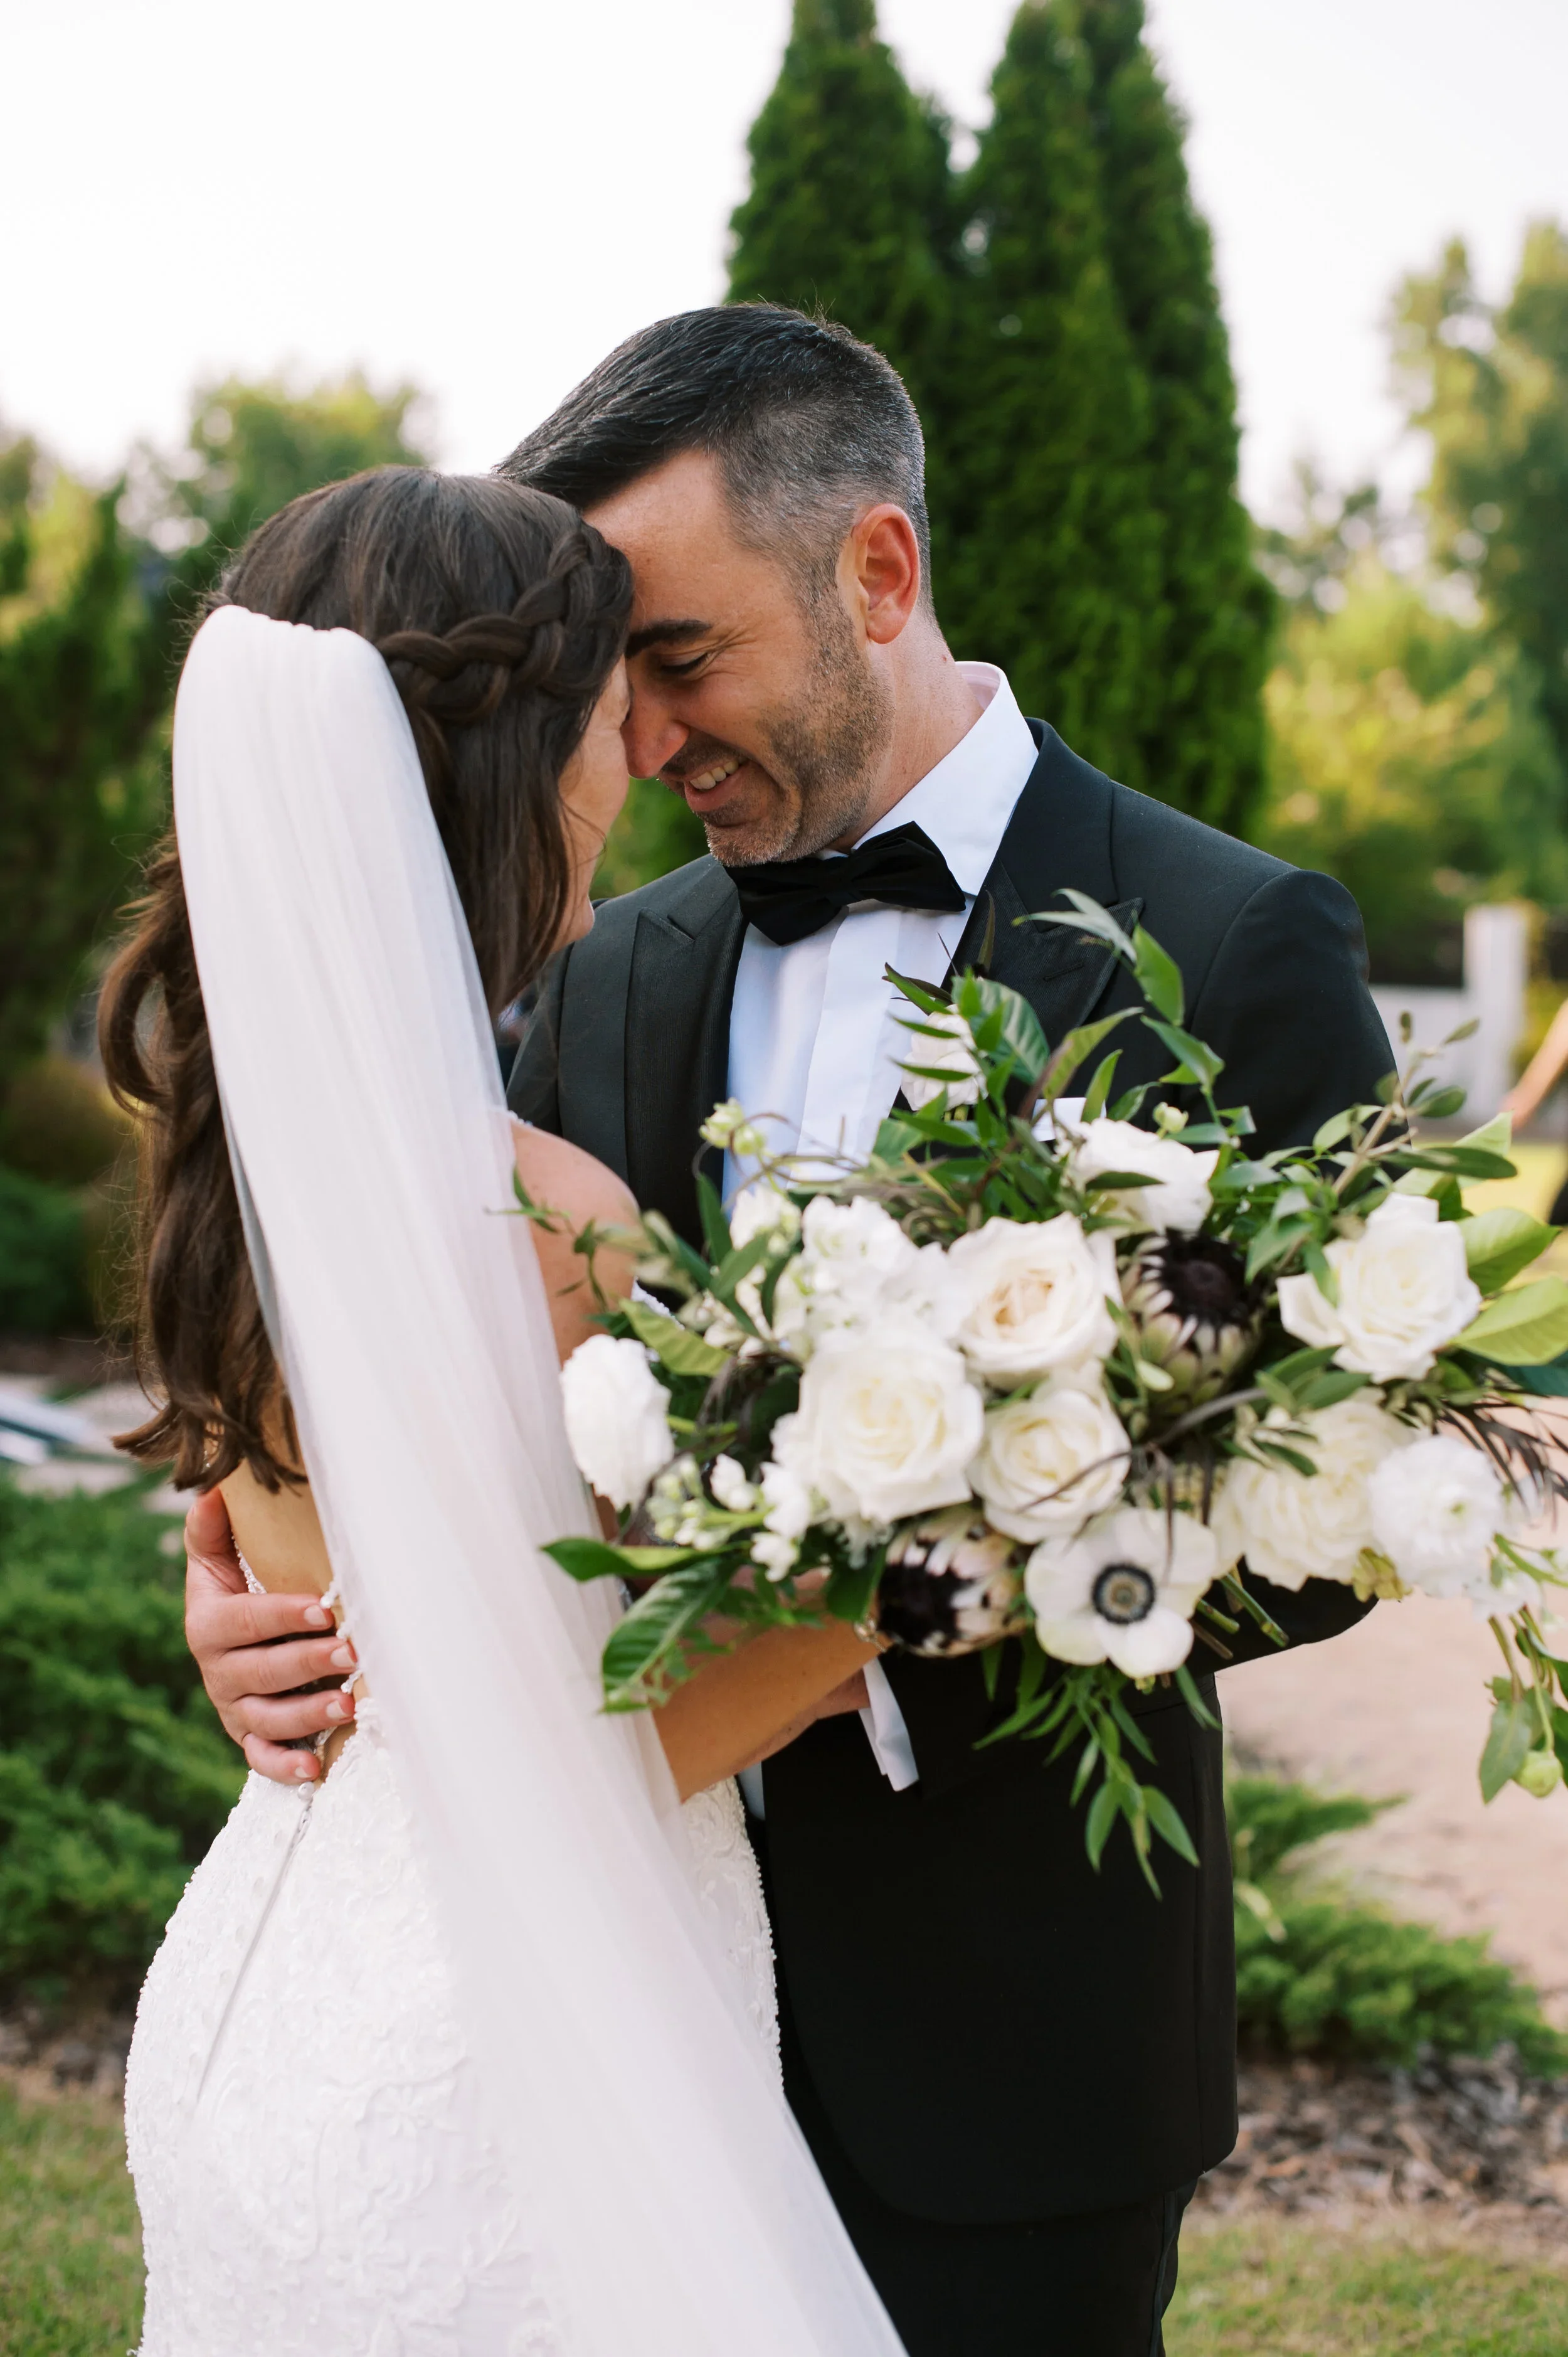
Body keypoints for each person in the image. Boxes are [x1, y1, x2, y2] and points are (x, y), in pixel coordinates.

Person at [185, 307, 1394, 2357]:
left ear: (878, 570)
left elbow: (1331, 1512)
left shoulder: (1228, 937)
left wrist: (970, 1561)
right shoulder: (604, 971)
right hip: (567, 2037)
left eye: (676, 657)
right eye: (605, 685)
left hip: (1008, 2051)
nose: (640, 743)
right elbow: (414, 1368)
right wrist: (255, 1602)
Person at [107, 466, 906, 2354]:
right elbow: (601, 1733)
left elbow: (347, 1569)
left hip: (276, 1980)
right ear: (491, 773)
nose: (633, 750)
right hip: (501, 2048)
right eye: (595, 710)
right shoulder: (542, 1214)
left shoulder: (221, 1168)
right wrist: (918, 1546)